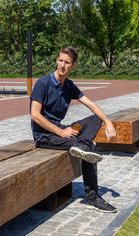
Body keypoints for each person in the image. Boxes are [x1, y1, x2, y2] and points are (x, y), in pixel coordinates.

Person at [30, 47, 117, 213]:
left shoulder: (69, 86)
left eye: (67, 62)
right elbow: (35, 115)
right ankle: (93, 197)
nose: (62, 65)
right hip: (45, 136)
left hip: (60, 130)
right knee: (90, 147)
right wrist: (61, 132)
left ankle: (82, 145)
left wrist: (107, 121)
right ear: (57, 60)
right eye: (60, 60)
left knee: (95, 119)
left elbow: (91, 105)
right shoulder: (43, 83)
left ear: (73, 65)